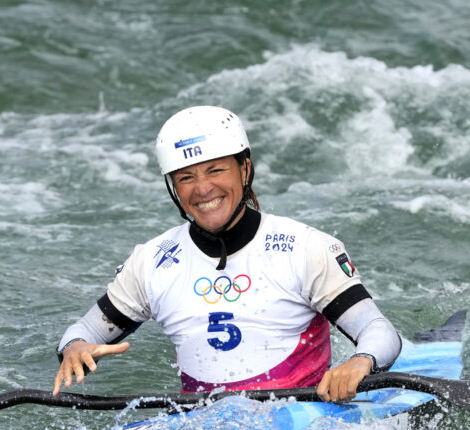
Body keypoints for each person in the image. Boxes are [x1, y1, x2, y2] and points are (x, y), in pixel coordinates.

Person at [53, 105, 401, 402]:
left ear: (245, 169)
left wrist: (360, 361)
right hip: (204, 427)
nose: (203, 189)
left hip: (300, 420)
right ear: (173, 188)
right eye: (186, 177)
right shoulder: (152, 262)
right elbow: (82, 332)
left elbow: (378, 330)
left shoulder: (304, 248)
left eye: (215, 170)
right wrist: (74, 348)